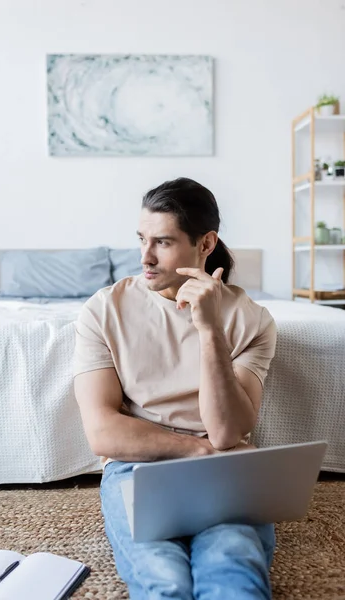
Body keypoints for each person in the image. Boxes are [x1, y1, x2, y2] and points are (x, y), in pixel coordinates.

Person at [74, 177, 277, 600]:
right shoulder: (103, 310)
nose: (145, 257)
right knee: (163, 579)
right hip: (138, 466)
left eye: (162, 243)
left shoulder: (251, 320)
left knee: (233, 567)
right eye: (141, 239)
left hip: (224, 467)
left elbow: (225, 432)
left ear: (205, 244)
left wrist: (209, 330)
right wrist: (200, 450)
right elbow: (103, 434)